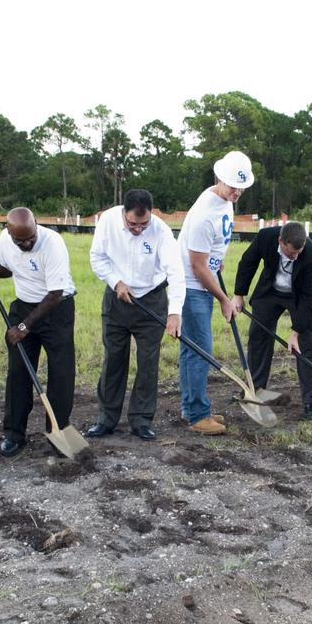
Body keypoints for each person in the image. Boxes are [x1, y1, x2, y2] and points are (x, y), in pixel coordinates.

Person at [0, 208, 76, 457]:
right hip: (23, 306)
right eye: (20, 241)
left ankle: (58, 431)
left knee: (61, 373)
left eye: (31, 238)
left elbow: (54, 294)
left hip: (56, 308)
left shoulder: (53, 244)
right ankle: (14, 434)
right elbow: (9, 269)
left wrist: (23, 327)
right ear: (9, 232)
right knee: (18, 373)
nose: (27, 243)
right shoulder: (6, 239)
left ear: (36, 225)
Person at [86, 188, 183, 440]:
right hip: (117, 299)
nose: (139, 229)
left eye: (144, 223)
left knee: (148, 363)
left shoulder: (161, 230)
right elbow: (97, 258)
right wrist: (116, 282)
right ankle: (106, 419)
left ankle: (141, 420)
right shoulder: (107, 220)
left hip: (151, 301)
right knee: (114, 358)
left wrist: (174, 313)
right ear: (123, 214)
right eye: (132, 224)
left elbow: (175, 271)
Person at [177, 150, 254, 435]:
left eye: (241, 187)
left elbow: (211, 248)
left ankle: (191, 408)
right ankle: (198, 415)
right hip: (192, 285)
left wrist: (216, 256)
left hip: (204, 278)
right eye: (233, 185)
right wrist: (223, 299)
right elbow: (197, 266)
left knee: (191, 350)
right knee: (201, 351)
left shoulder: (224, 200)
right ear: (219, 178)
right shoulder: (203, 214)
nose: (237, 192)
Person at [232, 220, 312, 421]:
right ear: (281, 241)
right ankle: (255, 390)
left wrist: (295, 333)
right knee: (258, 336)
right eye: (292, 253)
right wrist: (239, 294)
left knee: (306, 345)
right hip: (270, 291)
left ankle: (311, 403)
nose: (296, 256)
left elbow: (310, 298)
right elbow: (248, 261)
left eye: (299, 252)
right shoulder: (266, 237)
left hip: (300, 298)